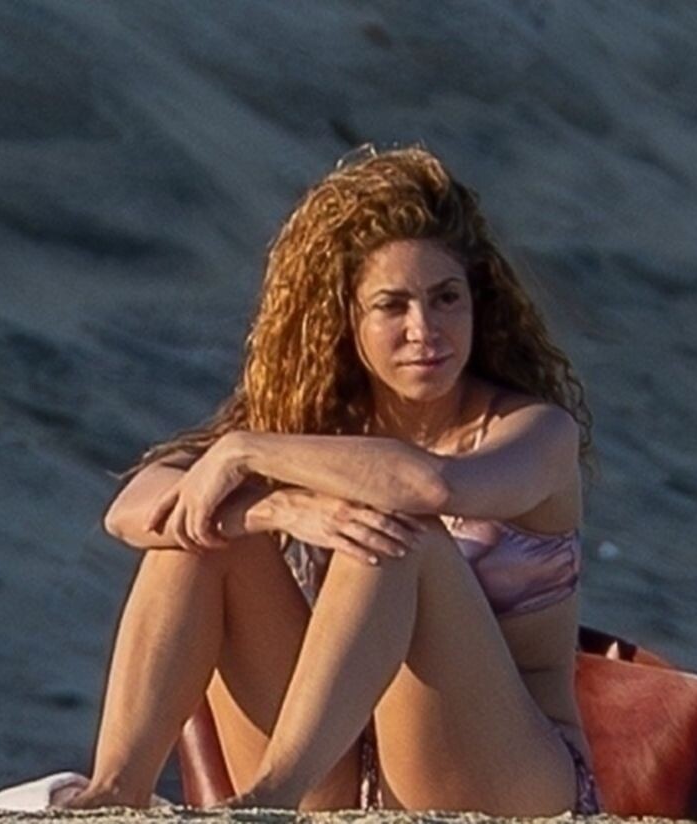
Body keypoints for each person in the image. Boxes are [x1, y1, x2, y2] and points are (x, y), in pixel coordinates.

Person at [62, 144, 600, 815]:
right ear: (346, 320)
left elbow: (432, 487)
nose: (425, 330)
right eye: (392, 306)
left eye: (446, 299)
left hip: (507, 774)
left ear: (477, 305)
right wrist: (272, 508)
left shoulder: (535, 432)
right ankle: (116, 792)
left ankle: (269, 803)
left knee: (397, 532)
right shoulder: (315, 434)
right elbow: (132, 512)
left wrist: (242, 455)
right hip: (341, 773)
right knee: (198, 539)